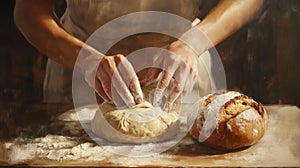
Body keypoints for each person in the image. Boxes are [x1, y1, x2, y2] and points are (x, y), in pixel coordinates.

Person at [14, 0, 264, 111]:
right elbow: (28, 10)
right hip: (80, 66)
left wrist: (192, 42)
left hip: (180, 69)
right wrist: (86, 60)